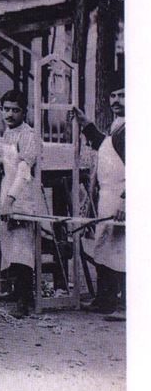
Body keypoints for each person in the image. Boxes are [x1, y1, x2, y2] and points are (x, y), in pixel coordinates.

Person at [72, 86, 126, 321]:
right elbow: (106, 147)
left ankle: (119, 303)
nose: (116, 100)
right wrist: (86, 124)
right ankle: (107, 300)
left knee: (119, 249)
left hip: (122, 197)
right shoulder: (117, 125)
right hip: (108, 195)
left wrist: (126, 201)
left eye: (123, 95)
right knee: (105, 247)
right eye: (113, 95)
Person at [0, 90, 43, 318]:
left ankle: (25, 298)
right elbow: (11, 159)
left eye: (15, 110)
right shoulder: (8, 133)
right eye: (6, 109)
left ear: (24, 111)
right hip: (7, 190)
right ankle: (14, 291)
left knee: (22, 248)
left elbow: (24, 170)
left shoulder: (29, 135)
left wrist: (10, 200)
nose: (10, 114)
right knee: (9, 245)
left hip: (22, 196)